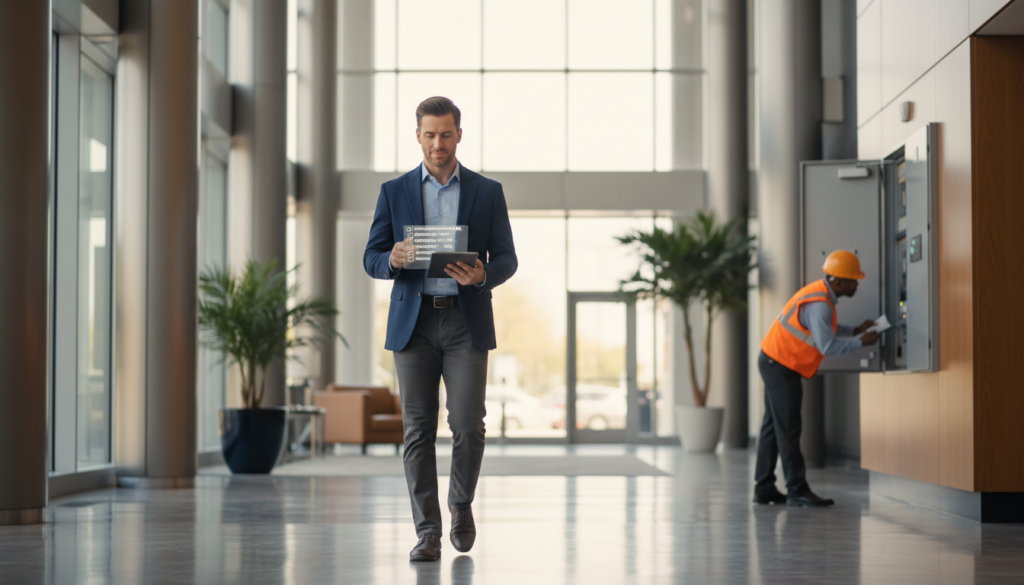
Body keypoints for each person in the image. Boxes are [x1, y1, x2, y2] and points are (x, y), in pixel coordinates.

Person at [363, 96, 517, 561]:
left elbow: (507, 257)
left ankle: (460, 505)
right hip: (415, 322)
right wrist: (391, 258)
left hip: (464, 319)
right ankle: (428, 531)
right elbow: (371, 257)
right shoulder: (394, 192)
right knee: (418, 430)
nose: (438, 143)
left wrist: (484, 275)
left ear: (459, 135)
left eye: (446, 134)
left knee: (468, 424)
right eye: (429, 135)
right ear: (418, 137)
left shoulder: (487, 192)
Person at [754, 250, 878, 508]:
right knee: (788, 428)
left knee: (772, 427)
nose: (857, 285)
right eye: (854, 280)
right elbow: (827, 346)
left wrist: (854, 330)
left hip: (774, 360)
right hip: (780, 364)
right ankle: (796, 489)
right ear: (839, 282)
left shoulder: (821, 296)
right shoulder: (820, 304)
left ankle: (764, 488)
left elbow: (823, 330)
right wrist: (860, 342)